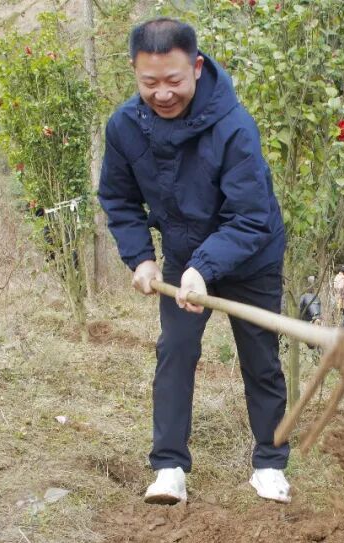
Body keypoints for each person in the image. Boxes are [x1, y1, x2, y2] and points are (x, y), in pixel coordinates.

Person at [99, 18, 290, 505]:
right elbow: (119, 199)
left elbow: (250, 218)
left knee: (260, 358)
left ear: (197, 67)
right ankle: (168, 467)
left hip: (250, 257)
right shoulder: (124, 126)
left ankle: (269, 463)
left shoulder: (234, 127)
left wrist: (205, 268)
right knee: (175, 351)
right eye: (149, 83)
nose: (162, 93)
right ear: (135, 73)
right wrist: (141, 257)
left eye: (174, 81)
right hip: (183, 255)